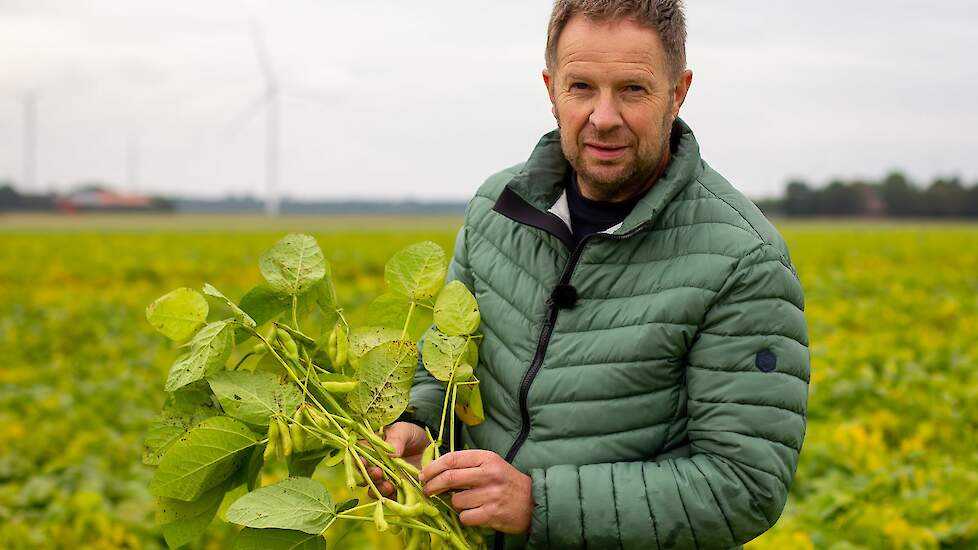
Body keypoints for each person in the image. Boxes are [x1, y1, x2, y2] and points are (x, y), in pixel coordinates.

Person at [368, 1, 810, 548]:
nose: (603, 117)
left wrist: (538, 504)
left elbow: (743, 486)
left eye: (632, 89)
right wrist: (416, 420)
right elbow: (448, 358)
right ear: (551, 88)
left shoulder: (743, 258)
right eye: (581, 87)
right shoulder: (494, 210)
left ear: (678, 92)